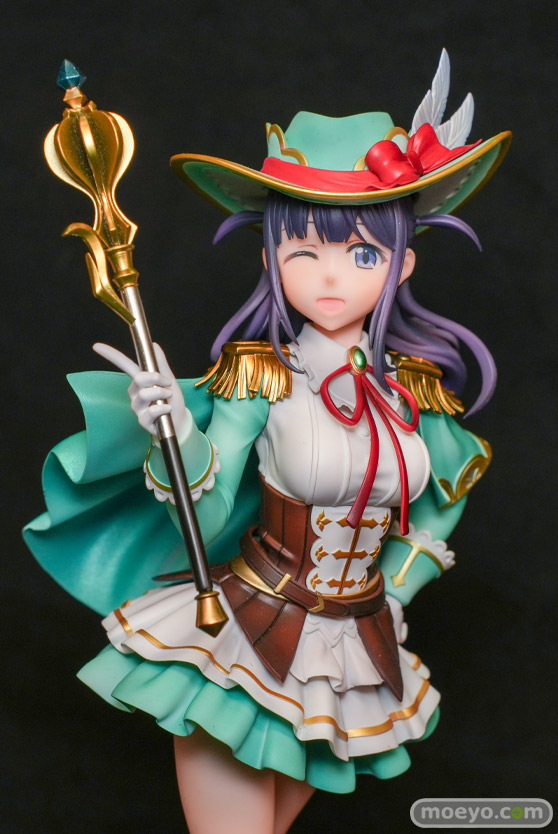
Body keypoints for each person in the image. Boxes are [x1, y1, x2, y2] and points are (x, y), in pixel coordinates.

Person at [25, 51, 511, 833]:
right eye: (303, 251)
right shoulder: (260, 378)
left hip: (357, 652)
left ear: (402, 264)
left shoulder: (413, 392)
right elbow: (211, 509)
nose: (330, 277)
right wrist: (180, 434)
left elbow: (442, 502)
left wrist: (398, 590)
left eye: (363, 253)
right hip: (248, 632)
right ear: (270, 257)